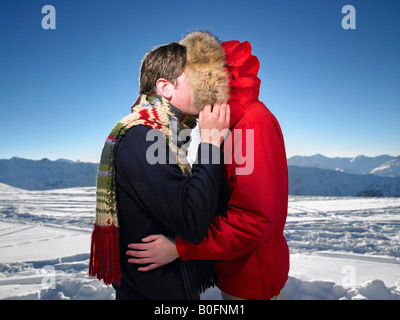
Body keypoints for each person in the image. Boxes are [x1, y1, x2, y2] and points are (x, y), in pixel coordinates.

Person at [126, 39, 290, 300]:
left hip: (252, 278)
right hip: (234, 269)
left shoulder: (251, 125)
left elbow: (253, 220)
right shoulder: (230, 125)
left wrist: (182, 248)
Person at [89, 32, 231, 300]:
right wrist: (210, 143)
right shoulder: (144, 136)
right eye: (197, 79)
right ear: (166, 87)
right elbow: (192, 222)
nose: (206, 87)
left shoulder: (165, 135)